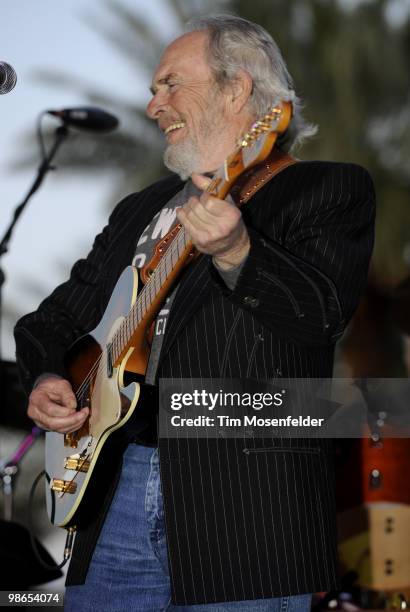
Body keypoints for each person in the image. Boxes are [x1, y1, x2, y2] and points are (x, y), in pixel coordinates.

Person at [14, 14, 375, 612]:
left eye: (170, 84)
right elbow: (47, 323)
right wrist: (49, 376)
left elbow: (323, 315)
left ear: (237, 88)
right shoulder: (142, 209)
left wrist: (238, 252)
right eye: (154, 89)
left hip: (246, 509)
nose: (154, 105)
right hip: (114, 490)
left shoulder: (327, 189)